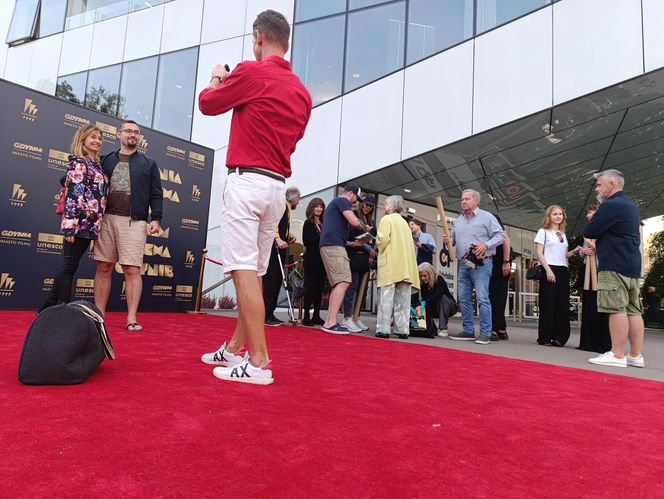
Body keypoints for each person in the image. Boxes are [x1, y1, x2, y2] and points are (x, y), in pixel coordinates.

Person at [198, 10, 312, 384]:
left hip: (247, 182)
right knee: (256, 271)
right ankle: (234, 349)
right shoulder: (302, 93)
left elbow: (208, 103)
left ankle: (259, 361)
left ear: (259, 37)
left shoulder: (250, 71)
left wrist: (218, 76)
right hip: (276, 188)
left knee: (243, 270)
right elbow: (293, 140)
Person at [93, 120, 162, 331]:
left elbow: (156, 194)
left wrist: (156, 219)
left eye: (137, 132)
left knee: (132, 269)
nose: (133, 135)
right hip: (105, 219)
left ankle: (131, 318)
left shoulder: (149, 164)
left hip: (135, 221)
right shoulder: (104, 160)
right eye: (129, 131)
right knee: (104, 266)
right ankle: (99, 316)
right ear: (118, 134)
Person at [38, 125, 109, 312]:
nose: (97, 141)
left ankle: (46, 308)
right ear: (82, 139)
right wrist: (70, 226)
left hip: (90, 225)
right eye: (92, 137)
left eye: (99, 138)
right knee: (69, 265)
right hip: (77, 224)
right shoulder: (79, 162)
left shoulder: (96, 164)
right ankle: (63, 309)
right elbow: (73, 195)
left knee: (71, 265)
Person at [585, 169, 645, 368]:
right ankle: (635, 355)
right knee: (633, 310)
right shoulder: (629, 204)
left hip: (614, 264)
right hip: (632, 265)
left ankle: (617, 354)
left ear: (612, 184)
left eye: (600, 184)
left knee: (615, 308)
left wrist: (595, 217)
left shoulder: (611, 205)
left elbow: (590, 231)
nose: (597, 188)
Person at [444, 189, 503, 344]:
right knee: (463, 298)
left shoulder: (487, 217)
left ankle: (486, 333)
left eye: (467, 199)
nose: (463, 201)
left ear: (476, 201)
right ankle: (468, 330)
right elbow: (453, 241)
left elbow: (500, 236)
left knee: (483, 298)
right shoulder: (457, 221)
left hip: (483, 263)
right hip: (464, 263)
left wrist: (486, 244)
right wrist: (448, 240)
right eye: (462, 199)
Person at [319, 185, 373, 334]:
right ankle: (330, 322)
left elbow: (337, 231)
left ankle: (329, 321)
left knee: (339, 283)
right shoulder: (342, 201)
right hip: (334, 246)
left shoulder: (336, 204)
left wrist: (353, 243)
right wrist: (366, 228)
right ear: (350, 194)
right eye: (356, 197)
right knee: (344, 281)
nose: (356, 202)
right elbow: (354, 222)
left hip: (333, 245)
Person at [534, 205, 582, 347]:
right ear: (549, 216)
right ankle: (545, 337)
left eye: (560, 214)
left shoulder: (562, 234)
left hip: (562, 269)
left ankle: (559, 337)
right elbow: (539, 253)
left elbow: (564, 255)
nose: (558, 216)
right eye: (555, 214)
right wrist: (547, 270)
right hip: (549, 268)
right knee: (548, 303)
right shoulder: (543, 232)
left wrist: (574, 251)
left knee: (562, 304)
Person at [375, 195, 420, 339]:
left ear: (391, 206)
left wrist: (375, 242)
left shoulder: (386, 219)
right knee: (403, 300)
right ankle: (402, 330)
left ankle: (383, 328)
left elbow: (382, 240)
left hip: (391, 264)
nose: (384, 206)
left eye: (386, 203)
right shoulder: (405, 223)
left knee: (386, 297)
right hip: (404, 266)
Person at [263, 186, 300, 326]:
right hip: (274, 248)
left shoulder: (287, 208)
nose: (299, 201)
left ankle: (270, 313)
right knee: (272, 280)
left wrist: (287, 236)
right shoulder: (281, 206)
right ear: (293, 197)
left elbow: (281, 225)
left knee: (277, 280)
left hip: (280, 246)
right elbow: (272, 223)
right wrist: (278, 238)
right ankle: (266, 314)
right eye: (298, 198)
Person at [577, 202, 611, 352]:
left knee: (602, 306)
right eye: (588, 212)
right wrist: (584, 251)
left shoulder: (608, 229)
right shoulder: (588, 231)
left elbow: (610, 249)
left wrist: (595, 247)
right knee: (589, 304)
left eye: (591, 212)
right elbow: (582, 252)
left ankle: (602, 344)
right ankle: (588, 342)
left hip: (603, 271)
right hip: (588, 272)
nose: (588, 215)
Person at [341, 193, 376, 332]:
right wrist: (368, 247)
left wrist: (372, 250)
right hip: (354, 254)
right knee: (352, 288)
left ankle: (356, 316)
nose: (366, 208)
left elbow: (374, 237)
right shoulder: (354, 215)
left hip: (365, 258)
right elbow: (352, 237)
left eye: (370, 206)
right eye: (365, 204)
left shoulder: (371, 221)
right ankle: (347, 317)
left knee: (363, 290)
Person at [302, 198, 326, 327]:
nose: (318, 209)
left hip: (323, 259)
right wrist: (321, 237)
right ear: (311, 208)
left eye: (321, 207)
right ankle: (306, 316)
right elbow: (306, 241)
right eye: (316, 206)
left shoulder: (324, 223)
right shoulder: (308, 223)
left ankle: (316, 315)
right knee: (310, 287)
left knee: (319, 288)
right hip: (312, 259)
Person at [416, 262, 457, 337]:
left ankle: (443, 328)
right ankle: (431, 327)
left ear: (430, 274)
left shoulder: (439, 279)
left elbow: (438, 294)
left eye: (425, 276)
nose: (422, 278)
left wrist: (423, 303)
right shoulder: (423, 283)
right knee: (423, 304)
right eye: (421, 276)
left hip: (450, 307)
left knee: (442, 298)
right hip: (435, 307)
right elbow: (426, 300)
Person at [488, 214, 512, 341]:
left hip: (500, 260)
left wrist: (506, 261)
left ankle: (498, 328)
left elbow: (506, 240)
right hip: (488, 260)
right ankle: (497, 328)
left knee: (498, 295)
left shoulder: (492, 217)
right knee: (491, 295)